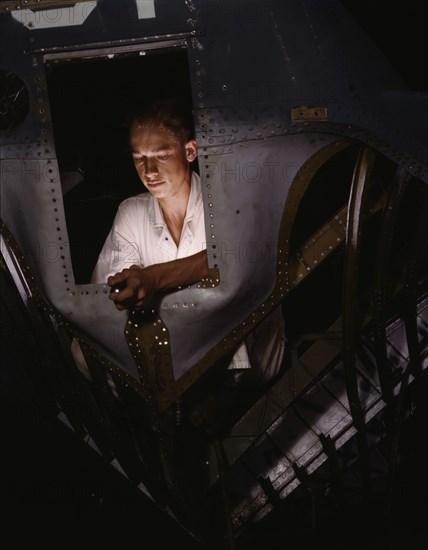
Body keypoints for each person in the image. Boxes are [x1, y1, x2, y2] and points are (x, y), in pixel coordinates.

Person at [91, 99, 286, 425]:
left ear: (190, 151)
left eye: (161, 156)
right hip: (169, 370)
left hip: (240, 369)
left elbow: (231, 257)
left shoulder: (228, 200)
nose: (149, 171)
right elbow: (115, 283)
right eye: (139, 158)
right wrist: (130, 285)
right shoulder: (131, 212)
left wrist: (153, 279)